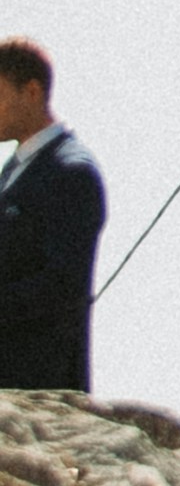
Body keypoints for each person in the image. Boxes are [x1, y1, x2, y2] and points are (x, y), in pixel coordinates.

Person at [0, 46, 108, 391]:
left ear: (31, 92)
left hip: (39, 389)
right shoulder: (16, 169)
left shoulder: (71, 171)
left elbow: (62, 286)